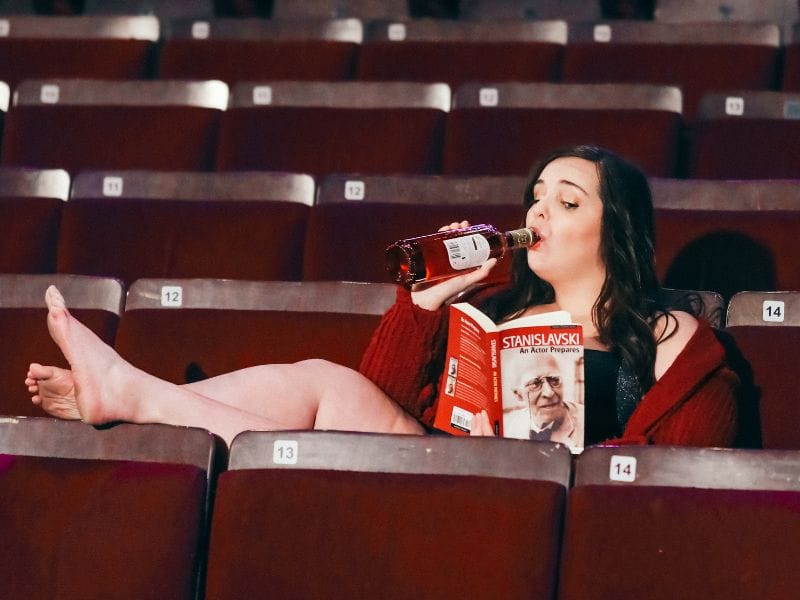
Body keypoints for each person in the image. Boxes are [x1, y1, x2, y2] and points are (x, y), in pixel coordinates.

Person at [26, 145, 743, 447]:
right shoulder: (495, 311)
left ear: (612, 230)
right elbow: (379, 398)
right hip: (442, 471)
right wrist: (428, 303)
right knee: (322, 384)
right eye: (535, 198)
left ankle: (130, 398)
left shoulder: (665, 331)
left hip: (549, 495)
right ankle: (129, 397)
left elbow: (679, 458)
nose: (538, 214)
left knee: (325, 390)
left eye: (567, 201)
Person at [508, 355, 584, 446]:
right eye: (534, 384)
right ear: (518, 394)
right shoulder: (512, 426)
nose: (549, 393)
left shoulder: (586, 420)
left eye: (555, 380)